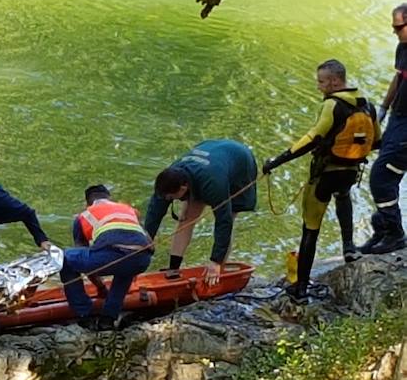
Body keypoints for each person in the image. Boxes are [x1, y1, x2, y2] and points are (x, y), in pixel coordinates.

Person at [263, 59, 381, 300]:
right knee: (344, 196)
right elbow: (377, 141)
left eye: (321, 81)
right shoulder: (367, 104)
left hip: (325, 175)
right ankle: (349, 248)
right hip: (350, 172)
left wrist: (276, 161)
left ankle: (301, 288)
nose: (318, 86)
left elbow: (312, 139)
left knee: (310, 229)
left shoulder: (332, 105)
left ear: (335, 81)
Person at [143, 139, 258, 285]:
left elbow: (224, 221)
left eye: (172, 198)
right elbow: (155, 209)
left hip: (240, 163)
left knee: (230, 215)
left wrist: (215, 260)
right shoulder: (170, 177)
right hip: (209, 156)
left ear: (183, 188)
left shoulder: (213, 184)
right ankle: (173, 269)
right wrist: (147, 239)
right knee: (186, 219)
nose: (169, 200)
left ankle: (218, 269)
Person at [60, 185, 154, 330]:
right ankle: (108, 319)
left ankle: (85, 314)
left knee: (65, 258)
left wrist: (101, 287)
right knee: (127, 265)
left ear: (88, 203)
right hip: (142, 259)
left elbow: (85, 263)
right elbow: (151, 246)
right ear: (109, 198)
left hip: (113, 256)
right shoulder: (129, 210)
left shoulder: (83, 216)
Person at [360, 3, 407, 255]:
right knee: (386, 172)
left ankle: (396, 234)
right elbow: (399, 78)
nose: (394, 32)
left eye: (398, 27)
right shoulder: (403, 48)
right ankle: (382, 230)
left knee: (381, 176)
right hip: (398, 118)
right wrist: (383, 109)